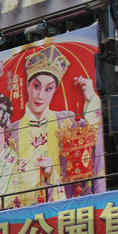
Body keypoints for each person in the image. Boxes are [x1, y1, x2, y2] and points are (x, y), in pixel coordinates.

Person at [12, 45, 97, 195]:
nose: (40, 96)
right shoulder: (12, 132)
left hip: (64, 203)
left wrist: (91, 100)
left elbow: (93, 137)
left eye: (48, 89)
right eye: (36, 86)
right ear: (27, 86)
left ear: (55, 91)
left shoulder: (66, 122)